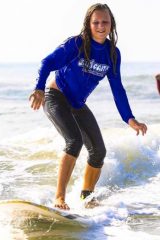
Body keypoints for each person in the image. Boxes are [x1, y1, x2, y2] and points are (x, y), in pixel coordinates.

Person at [29, 3, 147, 210]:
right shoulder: (77, 44)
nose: (101, 26)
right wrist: (39, 88)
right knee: (74, 141)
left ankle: (86, 198)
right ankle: (59, 198)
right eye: (96, 22)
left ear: (111, 24)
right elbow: (47, 62)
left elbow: (117, 88)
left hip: (77, 104)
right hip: (55, 97)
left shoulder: (112, 54)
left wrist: (130, 119)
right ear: (88, 24)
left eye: (105, 22)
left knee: (98, 151)